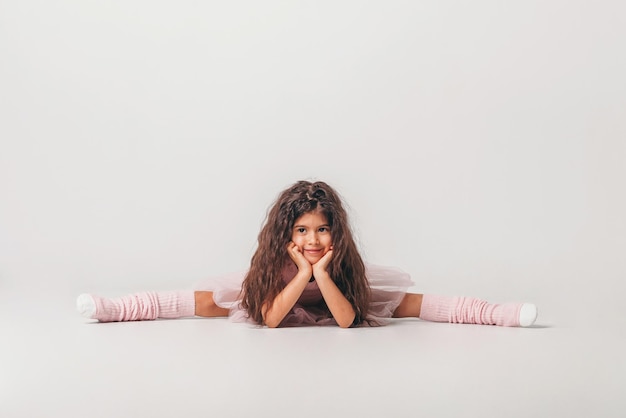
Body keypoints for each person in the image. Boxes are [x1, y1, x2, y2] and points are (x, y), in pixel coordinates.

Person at [76, 180, 538, 328]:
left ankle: (497, 314)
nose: (313, 240)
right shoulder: (281, 262)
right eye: (301, 230)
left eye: (321, 230)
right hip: (280, 291)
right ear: (286, 234)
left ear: (335, 232)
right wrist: (301, 272)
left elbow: (345, 321)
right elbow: (273, 320)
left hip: (337, 295)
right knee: (205, 302)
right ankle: (114, 308)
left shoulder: (338, 261)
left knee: (410, 305)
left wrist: (325, 273)